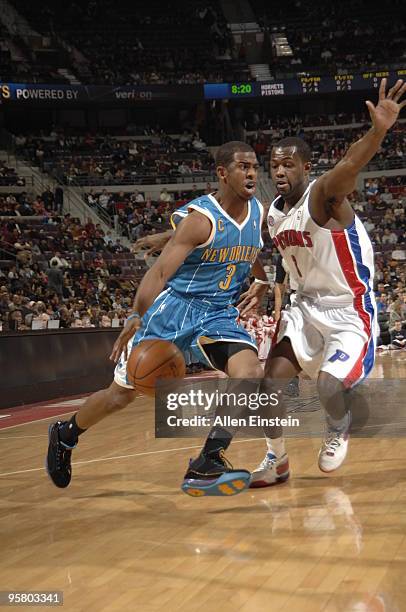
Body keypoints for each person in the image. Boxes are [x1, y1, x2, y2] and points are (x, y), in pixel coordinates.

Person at [46, 141, 269, 496]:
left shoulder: (258, 212)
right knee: (120, 396)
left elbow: (249, 248)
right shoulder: (200, 219)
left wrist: (261, 279)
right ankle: (66, 433)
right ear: (223, 173)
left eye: (255, 166)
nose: (253, 173)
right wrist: (136, 313)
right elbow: (161, 273)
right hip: (175, 310)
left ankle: (208, 461)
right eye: (244, 166)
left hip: (218, 312)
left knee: (250, 374)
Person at [249, 78, 406, 486]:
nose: (279, 171)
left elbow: (350, 165)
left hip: (349, 309)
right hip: (305, 308)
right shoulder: (271, 213)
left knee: (327, 384)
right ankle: (277, 459)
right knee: (269, 386)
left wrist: (378, 131)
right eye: (274, 165)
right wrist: (268, 284)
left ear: (305, 166)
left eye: (287, 164)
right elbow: (289, 261)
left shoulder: (323, 194)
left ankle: (337, 426)